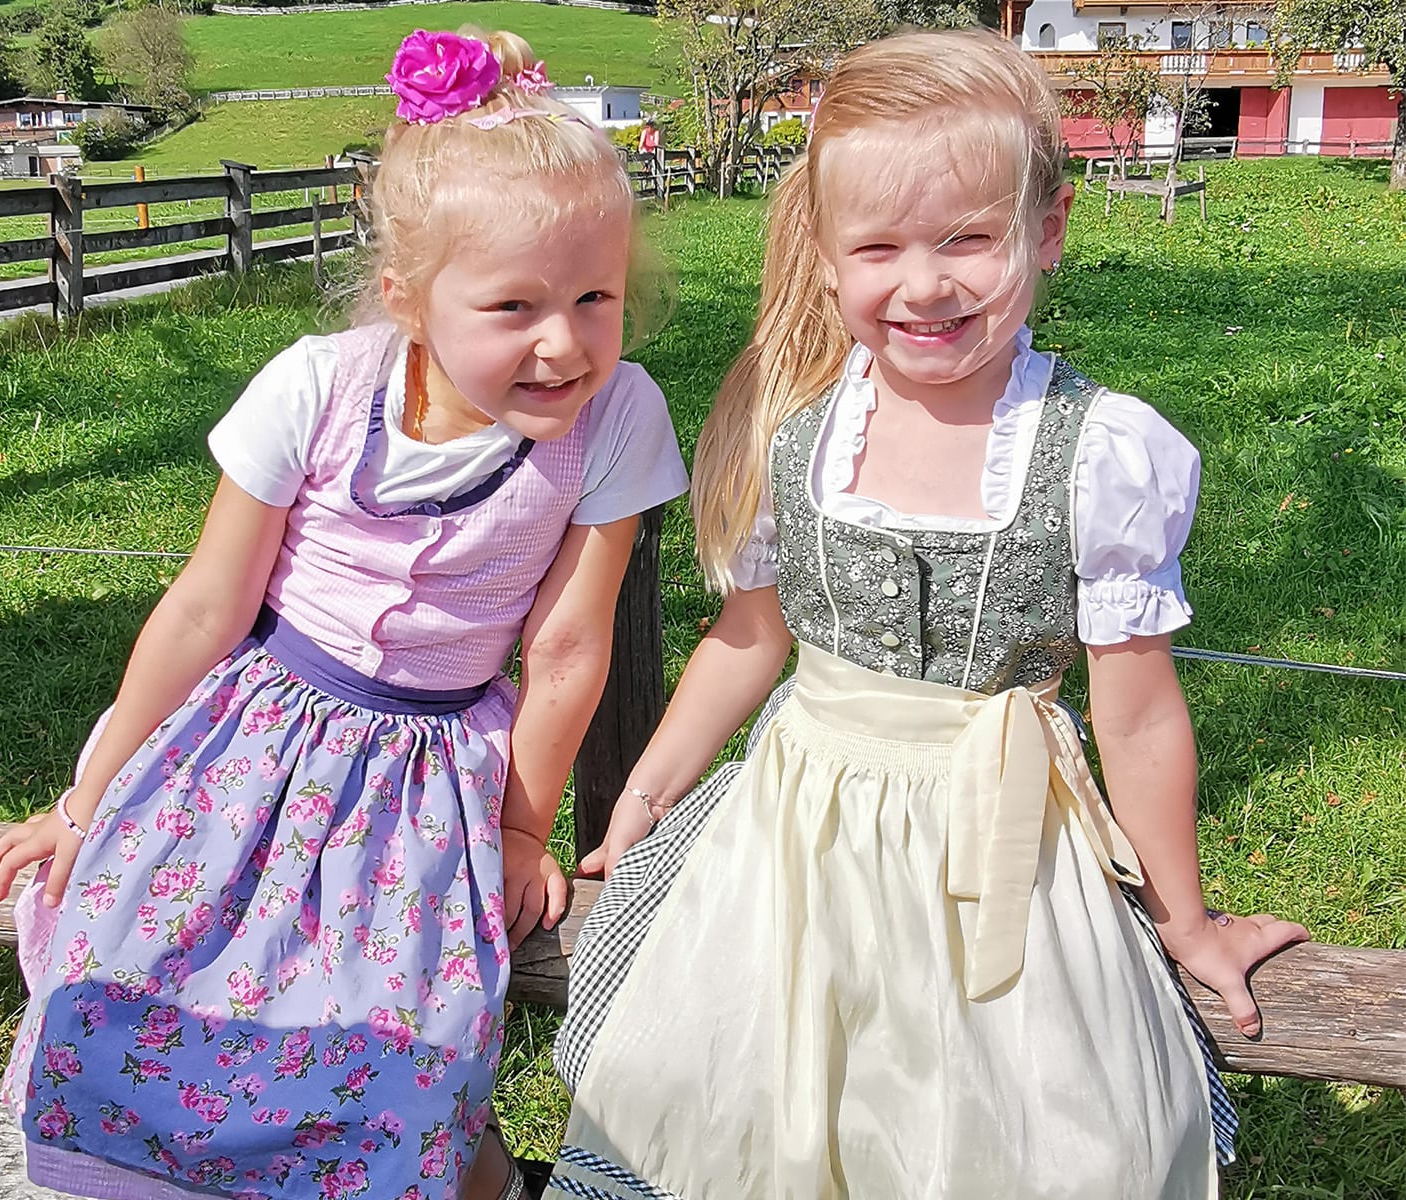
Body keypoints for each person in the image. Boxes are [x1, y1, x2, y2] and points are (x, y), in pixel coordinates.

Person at [543, 29, 1307, 1200]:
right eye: (879, 248)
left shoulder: (1101, 452)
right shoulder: (793, 431)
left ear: (1047, 229)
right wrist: (645, 800)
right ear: (825, 255)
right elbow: (750, 637)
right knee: (749, 1106)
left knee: (1019, 1129)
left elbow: (1139, 713)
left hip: (1001, 849)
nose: (924, 284)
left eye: (966, 239)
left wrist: (1184, 919)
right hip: (797, 841)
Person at [0, 26, 687, 1200]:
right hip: (245, 744)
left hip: (431, 773)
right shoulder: (319, 384)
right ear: (408, 299)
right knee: (136, 959)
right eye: (512, 305)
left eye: (594, 297)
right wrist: (86, 797)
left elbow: (567, 649)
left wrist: (521, 833)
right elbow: (205, 608)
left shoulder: (617, 416)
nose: (562, 342)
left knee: (404, 1033)